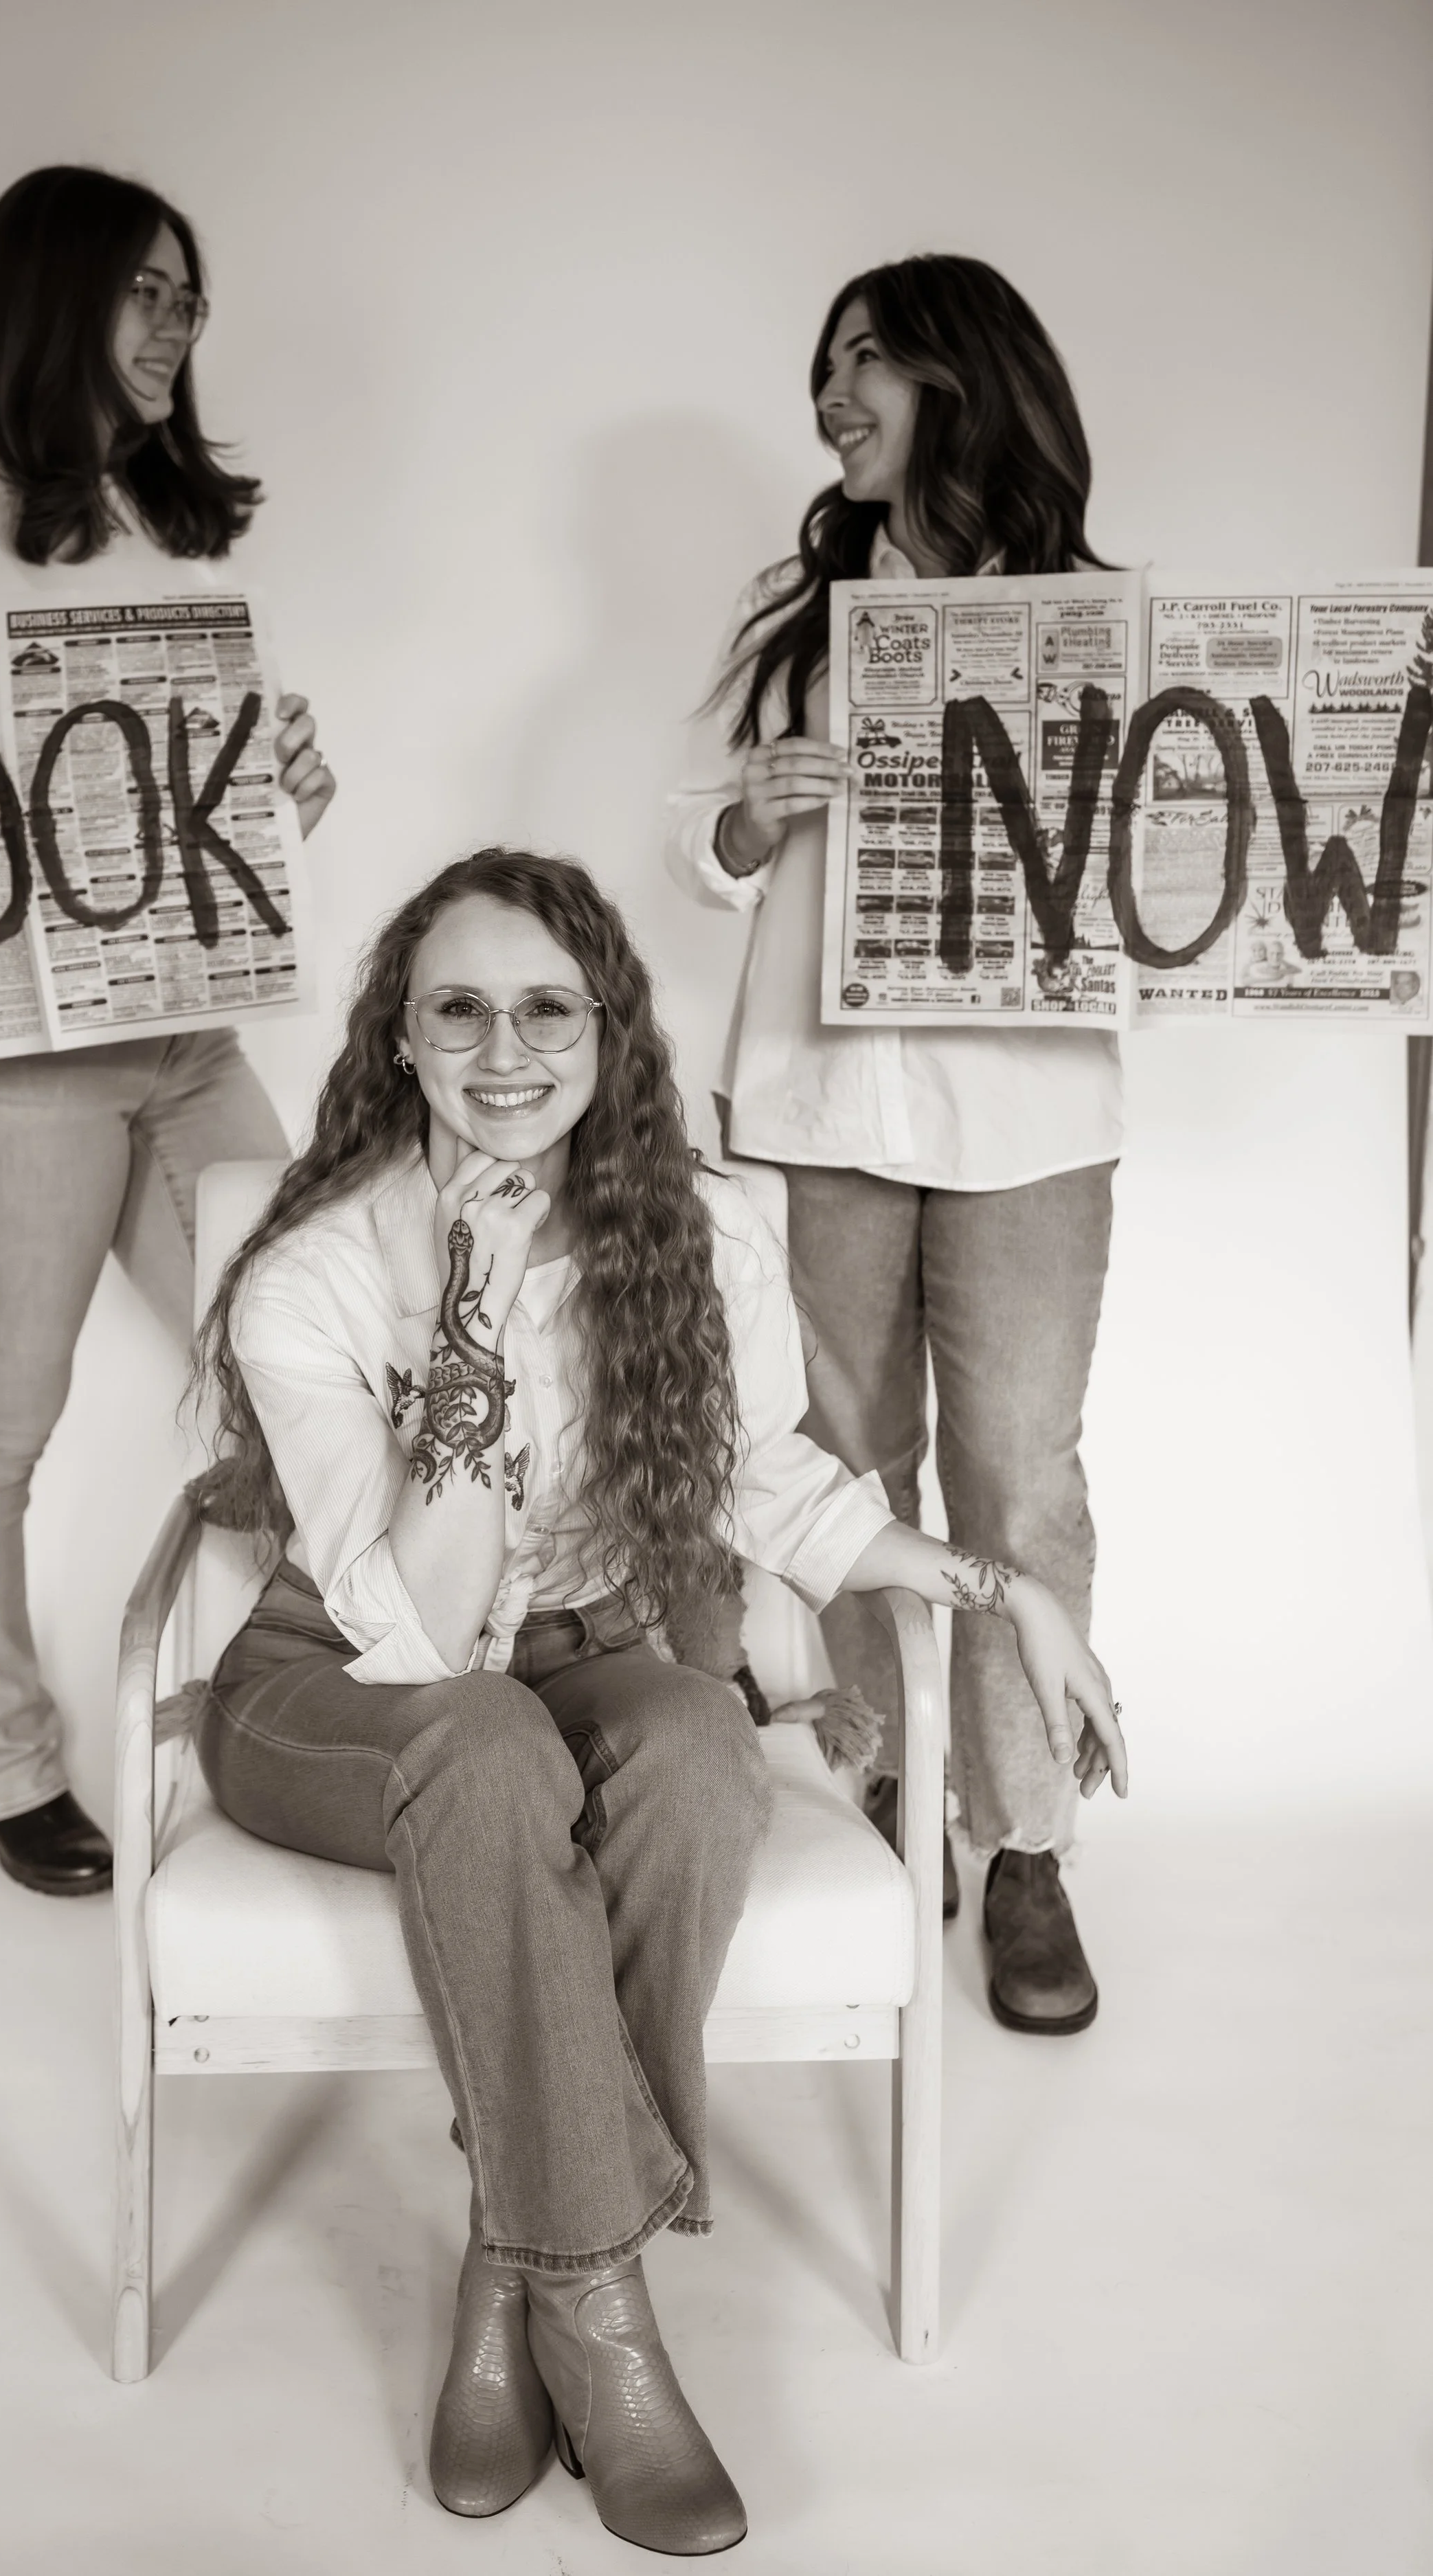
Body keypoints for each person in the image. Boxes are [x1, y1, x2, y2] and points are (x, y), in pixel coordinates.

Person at [194, 848, 1125, 2552]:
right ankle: (610, 2336)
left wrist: (1011, 1591)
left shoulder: (694, 1227)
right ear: (397, 1038)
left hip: (569, 1646)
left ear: (608, 1031)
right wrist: (469, 1322)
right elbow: (413, 1633)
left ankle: (513, 2262)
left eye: (547, 1008)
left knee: (700, 1749)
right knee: (477, 1749)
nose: (503, 1049)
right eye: (457, 1009)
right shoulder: (311, 1277)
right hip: (333, 1682)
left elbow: (757, 1479)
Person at [0, 166, 335, 1895]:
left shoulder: (163, 523)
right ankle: (0, 1768)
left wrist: (266, 806)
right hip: (4, 1063)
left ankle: (279, 1704)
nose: (179, 331)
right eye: (146, 294)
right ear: (50, 299)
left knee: (314, 1351)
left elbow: (162, 814)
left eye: (192, 301)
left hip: (183, 1030)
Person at [667, 253, 1122, 2036]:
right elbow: (694, 862)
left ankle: (1022, 1839)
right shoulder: (802, 618)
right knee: (840, 1472)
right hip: (814, 1104)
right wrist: (744, 818)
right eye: (824, 365)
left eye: (865, 359)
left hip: (1027, 1117)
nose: (831, 395)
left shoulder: (1101, 618)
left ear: (962, 378)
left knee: (1018, 1482)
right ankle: (885, 1783)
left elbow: (1179, 871)